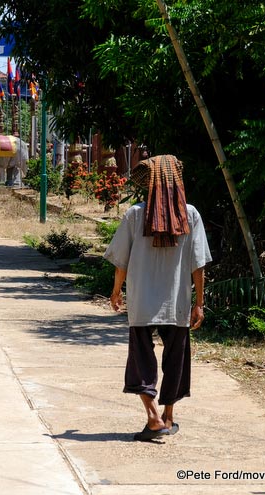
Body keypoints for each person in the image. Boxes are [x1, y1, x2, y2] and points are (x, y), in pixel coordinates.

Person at [103, 154, 212, 441]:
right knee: (176, 359)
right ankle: (168, 416)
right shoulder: (191, 215)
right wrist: (199, 303)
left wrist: (116, 292)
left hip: (141, 301)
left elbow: (121, 263)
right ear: (178, 181)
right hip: (176, 303)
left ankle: (152, 416)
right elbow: (198, 264)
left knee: (141, 358)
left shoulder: (135, 215)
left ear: (149, 184)